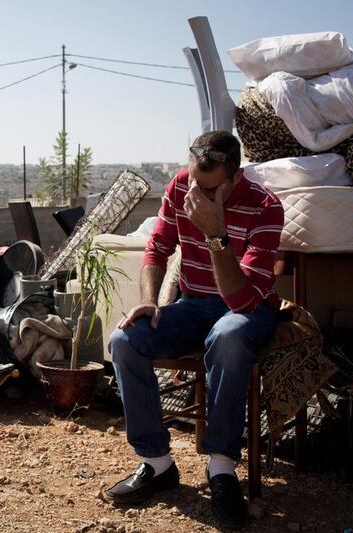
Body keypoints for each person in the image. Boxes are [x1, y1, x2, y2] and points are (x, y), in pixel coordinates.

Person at [106, 131, 284, 529]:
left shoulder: (266, 207)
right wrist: (150, 300)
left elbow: (240, 300)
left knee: (228, 335)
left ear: (234, 179)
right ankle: (156, 462)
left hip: (247, 308)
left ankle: (221, 468)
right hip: (192, 305)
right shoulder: (182, 185)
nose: (195, 194)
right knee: (125, 339)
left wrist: (215, 233)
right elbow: (157, 247)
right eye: (191, 181)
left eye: (208, 188)